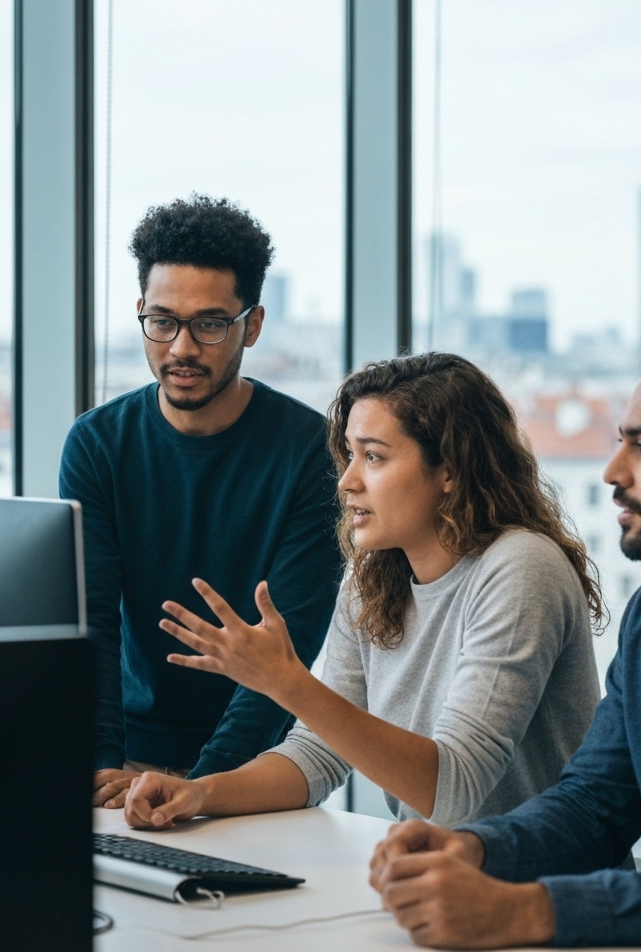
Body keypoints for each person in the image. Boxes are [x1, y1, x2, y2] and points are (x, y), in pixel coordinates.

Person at [124, 353, 603, 831]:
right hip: (439, 878)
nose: (348, 481)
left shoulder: (521, 567)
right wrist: (201, 791)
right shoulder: (373, 579)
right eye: (350, 455)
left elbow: (456, 790)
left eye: (373, 456)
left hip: (546, 892)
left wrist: (288, 682)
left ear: (450, 471)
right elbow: (319, 751)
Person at [368, 336, 641, 949]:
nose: (614, 472)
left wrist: (533, 911)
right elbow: (596, 804)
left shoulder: (526, 567)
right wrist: (473, 848)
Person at [59, 195, 340, 807]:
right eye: (162, 321)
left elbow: (288, 645)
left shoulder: (310, 452)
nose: (181, 347)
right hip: (125, 756)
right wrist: (101, 768)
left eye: (210, 324)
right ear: (141, 313)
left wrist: (203, 786)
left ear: (253, 324)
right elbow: (92, 623)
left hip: (258, 769)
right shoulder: (97, 443)